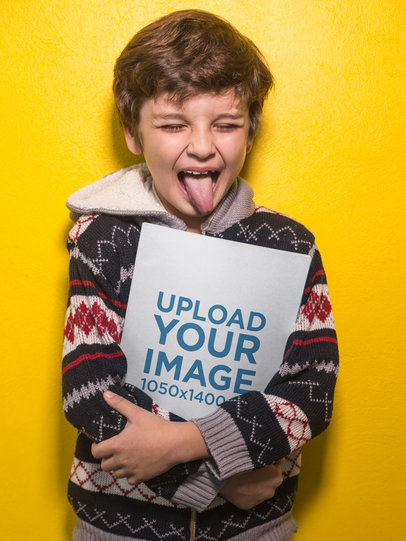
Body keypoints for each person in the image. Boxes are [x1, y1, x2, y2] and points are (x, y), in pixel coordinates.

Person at [62, 9, 338, 541]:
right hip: (119, 528)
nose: (204, 145)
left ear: (251, 133)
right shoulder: (102, 241)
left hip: (256, 527)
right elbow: (92, 389)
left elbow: (311, 391)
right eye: (172, 124)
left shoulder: (291, 246)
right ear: (133, 133)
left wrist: (187, 443)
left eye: (227, 124)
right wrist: (215, 475)